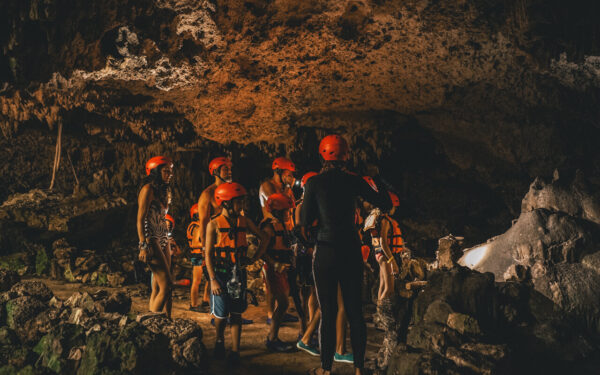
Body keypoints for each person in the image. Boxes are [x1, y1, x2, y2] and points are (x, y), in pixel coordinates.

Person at [300, 135, 392, 375]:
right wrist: (377, 178)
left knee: (328, 312)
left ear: (323, 155)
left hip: (326, 250)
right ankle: (359, 370)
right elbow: (385, 202)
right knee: (355, 312)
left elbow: (304, 222)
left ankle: (326, 369)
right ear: (346, 156)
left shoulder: (314, 183)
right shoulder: (355, 181)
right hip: (350, 250)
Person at [204, 182, 269, 364]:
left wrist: (253, 258)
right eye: (238, 202)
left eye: (241, 202)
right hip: (221, 273)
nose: (241, 206)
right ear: (225, 203)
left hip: (238, 273)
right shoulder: (213, 225)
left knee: (237, 312)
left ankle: (235, 351)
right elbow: (208, 255)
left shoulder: (244, 221)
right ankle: (219, 340)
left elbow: (264, 237)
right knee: (221, 313)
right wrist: (213, 280)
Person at [259, 157, 299, 324]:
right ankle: (271, 314)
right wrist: (288, 188)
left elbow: (291, 206)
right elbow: (276, 204)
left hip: (285, 231)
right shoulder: (267, 186)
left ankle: (279, 311)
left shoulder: (286, 188)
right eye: (287, 174)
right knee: (270, 279)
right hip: (272, 230)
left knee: (284, 279)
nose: (290, 177)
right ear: (279, 172)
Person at [190, 157, 232, 313]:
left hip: (230, 242)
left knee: (231, 279)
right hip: (215, 243)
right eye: (225, 169)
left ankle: (231, 312)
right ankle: (218, 314)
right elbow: (204, 223)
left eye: (229, 168)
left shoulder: (232, 191)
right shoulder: (207, 195)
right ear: (215, 172)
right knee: (216, 279)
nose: (229, 171)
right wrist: (205, 249)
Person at [137, 156, 175, 318]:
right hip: (151, 238)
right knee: (166, 286)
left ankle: (165, 320)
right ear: (155, 171)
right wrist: (143, 245)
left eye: (171, 171)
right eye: (166, 171)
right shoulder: (148, 189)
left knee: (160, 287)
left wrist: (168, 238)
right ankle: (152, 323)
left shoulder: (163, 190)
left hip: (163, 237)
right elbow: (140, 219)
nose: (170, 174)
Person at [261, 193, 297, 352]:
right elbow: (262, 252)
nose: (288, 213)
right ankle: (272, 339)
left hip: (283, 268)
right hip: (274, 269)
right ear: (277, 210)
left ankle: (273, 337)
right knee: (283, 303)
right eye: (286, 210)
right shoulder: (269, 227)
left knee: (283, 303)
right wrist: (275, 264)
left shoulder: (281, 225)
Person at [363, 187, 402, 303]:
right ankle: (381, 315)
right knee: (389, 289)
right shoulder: (385, 221)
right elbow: (383, 243)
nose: (395, 209)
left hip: (379, 255)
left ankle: (378, 314)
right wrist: (393, 261)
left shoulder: (377, 218)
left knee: (382, 286)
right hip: (385, 257)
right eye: (394, 207)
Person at [187, 203, 211, 312]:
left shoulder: (196, 225)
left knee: (209, 279)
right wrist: (208, 246)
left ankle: (206, 300)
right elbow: (195, 243)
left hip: (200, 255)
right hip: (198, 256)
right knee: (196, 281)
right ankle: (194, 305)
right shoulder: (197, 226)